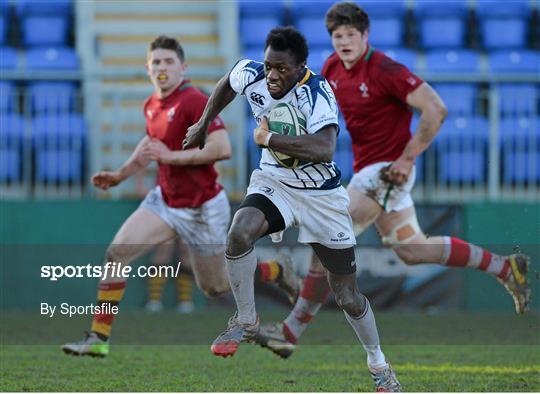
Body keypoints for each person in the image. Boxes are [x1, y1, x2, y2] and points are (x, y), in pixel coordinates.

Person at [254, 1, 531, 369]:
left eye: (352, 34)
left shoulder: (385, 69)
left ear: (366, 36)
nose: (345, 41)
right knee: (413, 250)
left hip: (388, 170)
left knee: (328, 234)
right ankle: (504, 267)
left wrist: (407, 158)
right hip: (366, 171)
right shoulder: (333, 68)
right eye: (338, 35)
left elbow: (436, 108)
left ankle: (289, 333)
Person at [183, 26, 401, 392]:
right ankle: (247, 320)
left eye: (282, 69)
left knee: (347, 295)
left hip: (322, 196)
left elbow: (324, 148)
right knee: (239, 232)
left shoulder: (317, 94)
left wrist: (268, 138)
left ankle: (379, 365)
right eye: (270, 66)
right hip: (276, 183)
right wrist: (203, 123)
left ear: (301, 67)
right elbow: (227, 82)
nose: (272, 75)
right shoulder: (253, 73)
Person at [61, 35, 299, 358]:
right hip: (166, 201)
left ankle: (276, 270)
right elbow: (149, 147)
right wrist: (120, 175)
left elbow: (222, 149)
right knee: (117, 255)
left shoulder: (193, 100)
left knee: (215, 287)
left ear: (182, 68)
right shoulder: (151, 105)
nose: (162, 67)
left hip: (203, 208)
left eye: (168, 61)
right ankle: (98, 339)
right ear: (148, 68)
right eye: (156, 62)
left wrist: (170, 157)